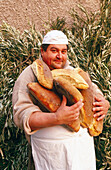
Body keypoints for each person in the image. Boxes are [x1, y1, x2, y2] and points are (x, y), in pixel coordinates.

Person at [12, 30, 109, 170]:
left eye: (63, 51)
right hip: (50, 154)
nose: (60, 56)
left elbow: (93, 90)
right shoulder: (29, 76)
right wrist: (57, 117)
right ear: (42, 51)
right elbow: (22, 116)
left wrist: (104, 103)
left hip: (81, 151)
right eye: (54, 50)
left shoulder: (72, 72)